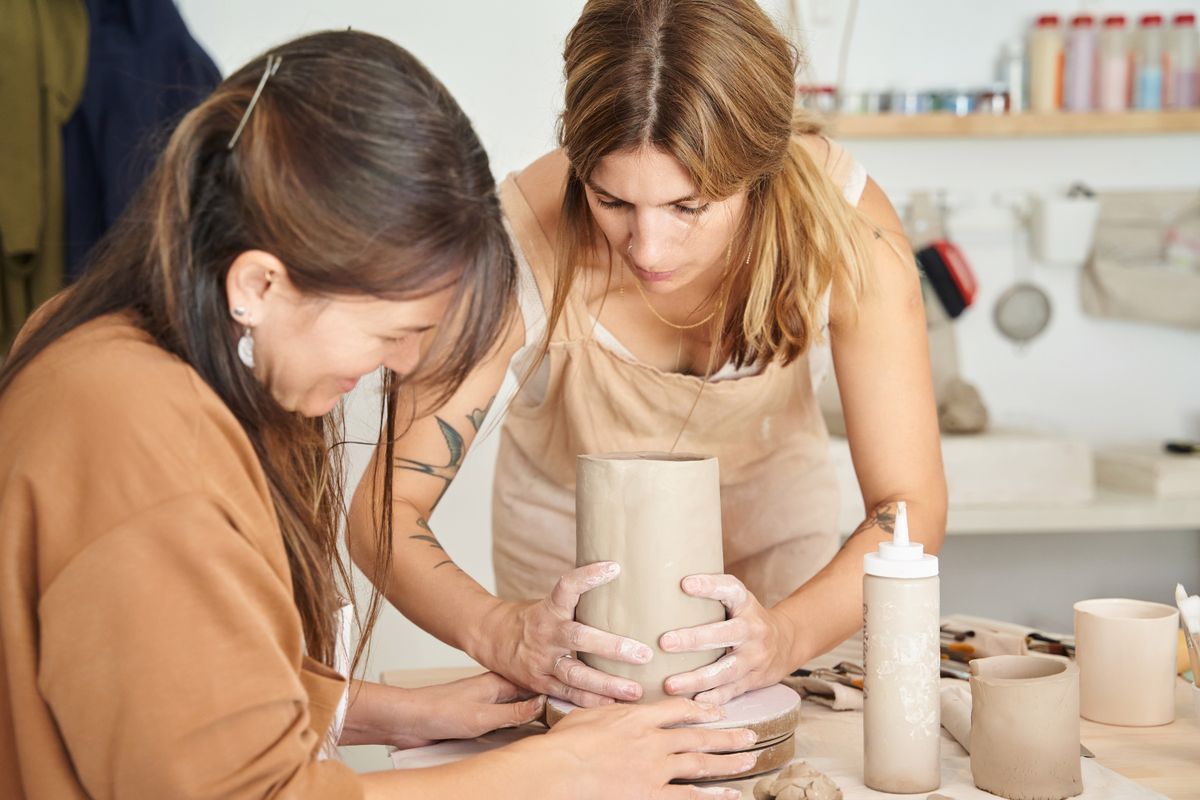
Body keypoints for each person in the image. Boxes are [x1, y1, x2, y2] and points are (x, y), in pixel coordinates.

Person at [0, 30, 753, 800]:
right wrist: (562, 770)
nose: (398, 367)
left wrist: (389, 713)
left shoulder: (103, 346)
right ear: (259, 285)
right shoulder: (145, 445)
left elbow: (165, 678)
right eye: (394, 334)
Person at [350, 0, 947, 710]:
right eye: (611, 201)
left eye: (688, 207)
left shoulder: (845, 229)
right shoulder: (517, 245)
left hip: (777, 529)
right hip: (570, 551)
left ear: (759, 170)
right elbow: (381, 510)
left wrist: (784, 637)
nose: (647, 249)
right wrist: (500, 631)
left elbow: (909, 506)